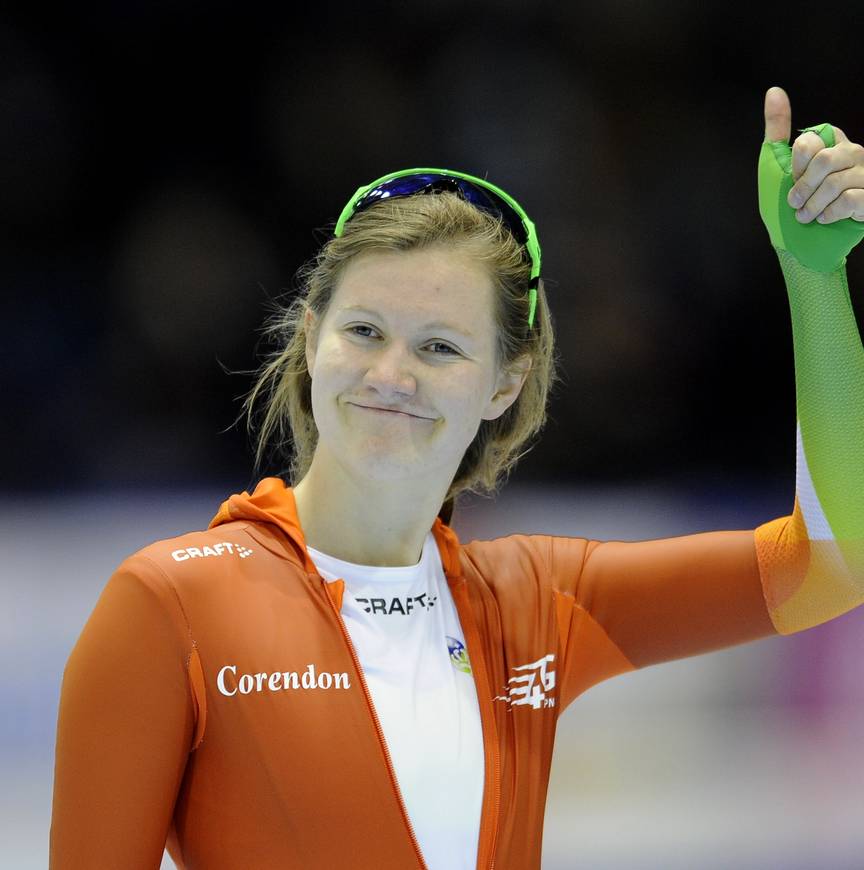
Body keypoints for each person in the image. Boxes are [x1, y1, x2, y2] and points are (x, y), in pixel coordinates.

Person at [49, 86, 864, 870]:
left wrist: (815, 278)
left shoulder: (536, 607)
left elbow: (834, 564)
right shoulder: (169, 607)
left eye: (440, 347)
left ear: (505, 383)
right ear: (310, 339)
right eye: (364, 331)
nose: (391, 375)